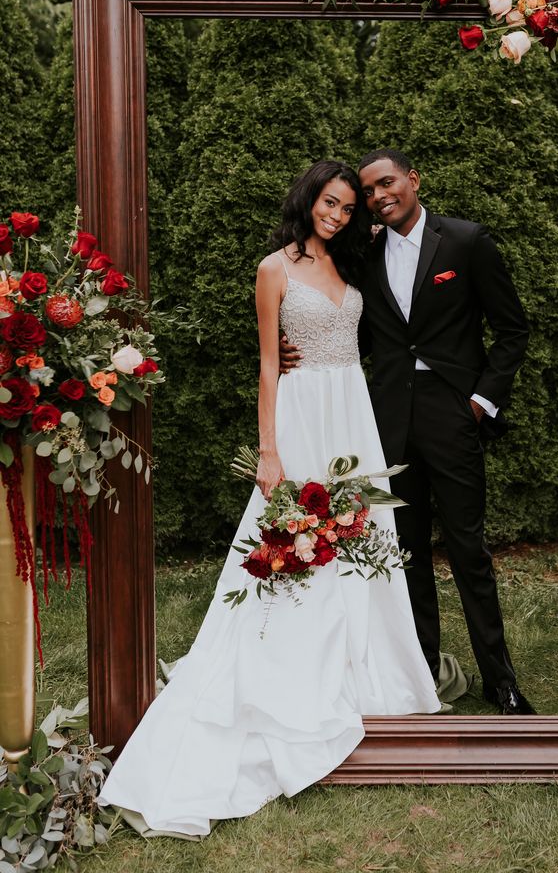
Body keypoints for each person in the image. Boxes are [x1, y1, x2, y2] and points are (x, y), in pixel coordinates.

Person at [98, 161, 441, 838]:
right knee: (296, 542)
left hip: (353, 412)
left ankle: (367, 663)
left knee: (360, 534)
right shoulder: (273, 268)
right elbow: (265, 360)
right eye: (330, 203)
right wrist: (268, 450)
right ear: (309, 198)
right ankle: (284, 670)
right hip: (302, 412)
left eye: (348, 208)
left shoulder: (354, 265)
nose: (337, 215)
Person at [283, 149, 533, 715]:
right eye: (368, 192)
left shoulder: (466, 242)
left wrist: (480, 401)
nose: (378, 196)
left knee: (469, 549)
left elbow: (512, 329)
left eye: (386, 183)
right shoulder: (364, 254)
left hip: (453, 416)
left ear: (413, 180)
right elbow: (358, 332)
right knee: (406, 552)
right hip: (387, 423)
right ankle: (421, 673)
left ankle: (501, 680)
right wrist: (295, 349)